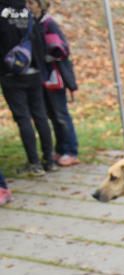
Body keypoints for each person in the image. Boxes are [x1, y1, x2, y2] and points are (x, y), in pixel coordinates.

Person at [0, 0, 55, 176]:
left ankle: (34, 163)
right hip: (34, 72)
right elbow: (38, 40)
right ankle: (49, 159)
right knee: (40, 116)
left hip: (10, 75)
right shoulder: (27, 12)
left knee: (23, 118)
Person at [27, 0, 78, 167]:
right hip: (41, 77)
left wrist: (51, 51)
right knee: (52, 115)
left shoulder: (48, 24)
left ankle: (71, 150)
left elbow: (62, 49)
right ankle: (61, 148)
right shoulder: (31, 23)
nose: (28, 5)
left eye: (32, 2)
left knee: (61, 115)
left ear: (40, 5)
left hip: (53, 77)